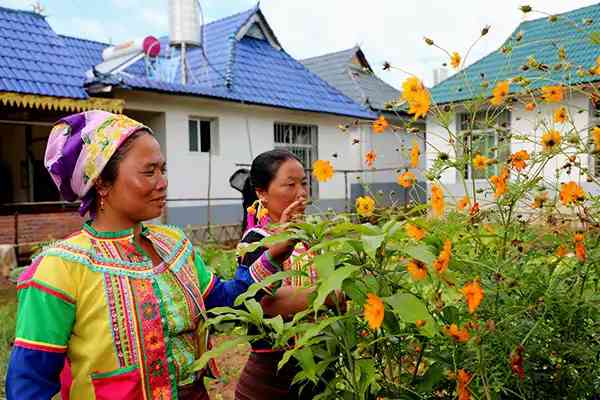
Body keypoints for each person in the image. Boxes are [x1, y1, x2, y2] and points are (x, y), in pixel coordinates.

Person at [5, 111, 295, 400]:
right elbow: (30, 384)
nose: (162, 182)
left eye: (163, 170)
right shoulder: (61, 268)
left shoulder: (174, 246)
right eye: (149, 171)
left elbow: (229, 301)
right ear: (102, 183)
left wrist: (272, 257)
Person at [233, 149, 333, 400]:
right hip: (273, 380)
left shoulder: (306, 238)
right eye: (290, 185)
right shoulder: (256, 241)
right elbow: (268, 300)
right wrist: (328, 295)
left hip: (314, 371)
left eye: (304, 183)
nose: (301, 193)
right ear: (261, 193)